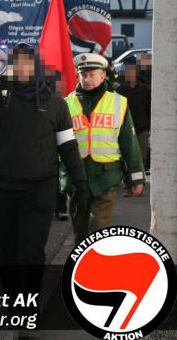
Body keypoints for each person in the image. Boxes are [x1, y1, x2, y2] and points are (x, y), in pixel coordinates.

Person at [0, 43, 87, 297]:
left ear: (35, 65)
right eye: (16, 62)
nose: (21, 67)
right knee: (5, 253)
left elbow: (68, 147)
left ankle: (28, 306)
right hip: (5, 189)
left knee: (30, 254)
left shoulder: (55, 103)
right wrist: (0, 96)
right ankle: (14, 298)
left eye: (27, 62)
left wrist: (80, 184)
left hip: (39, 190)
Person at [63, 53, 145, 242]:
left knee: (97, 229)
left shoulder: (118, 102)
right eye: (84, 75)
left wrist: (136, 178)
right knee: (80, 234)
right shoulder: (66, 104)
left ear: (103, 76)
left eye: (92, 74)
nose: (88, 79)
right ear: (78, 76)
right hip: (76, 178)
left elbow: (129, 142)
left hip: (106, 177)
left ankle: (93, 268)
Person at [116, 56, 151, 184]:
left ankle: (139, 183)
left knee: (141, 156)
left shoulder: (145, 89)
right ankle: (128, 184)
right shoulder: (120, 91)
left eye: (132, 71)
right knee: (126, 156)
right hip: (125, 129)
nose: (130, 74)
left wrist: (150, 127)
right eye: (127, 71)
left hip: (141, 128)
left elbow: (149, 108)